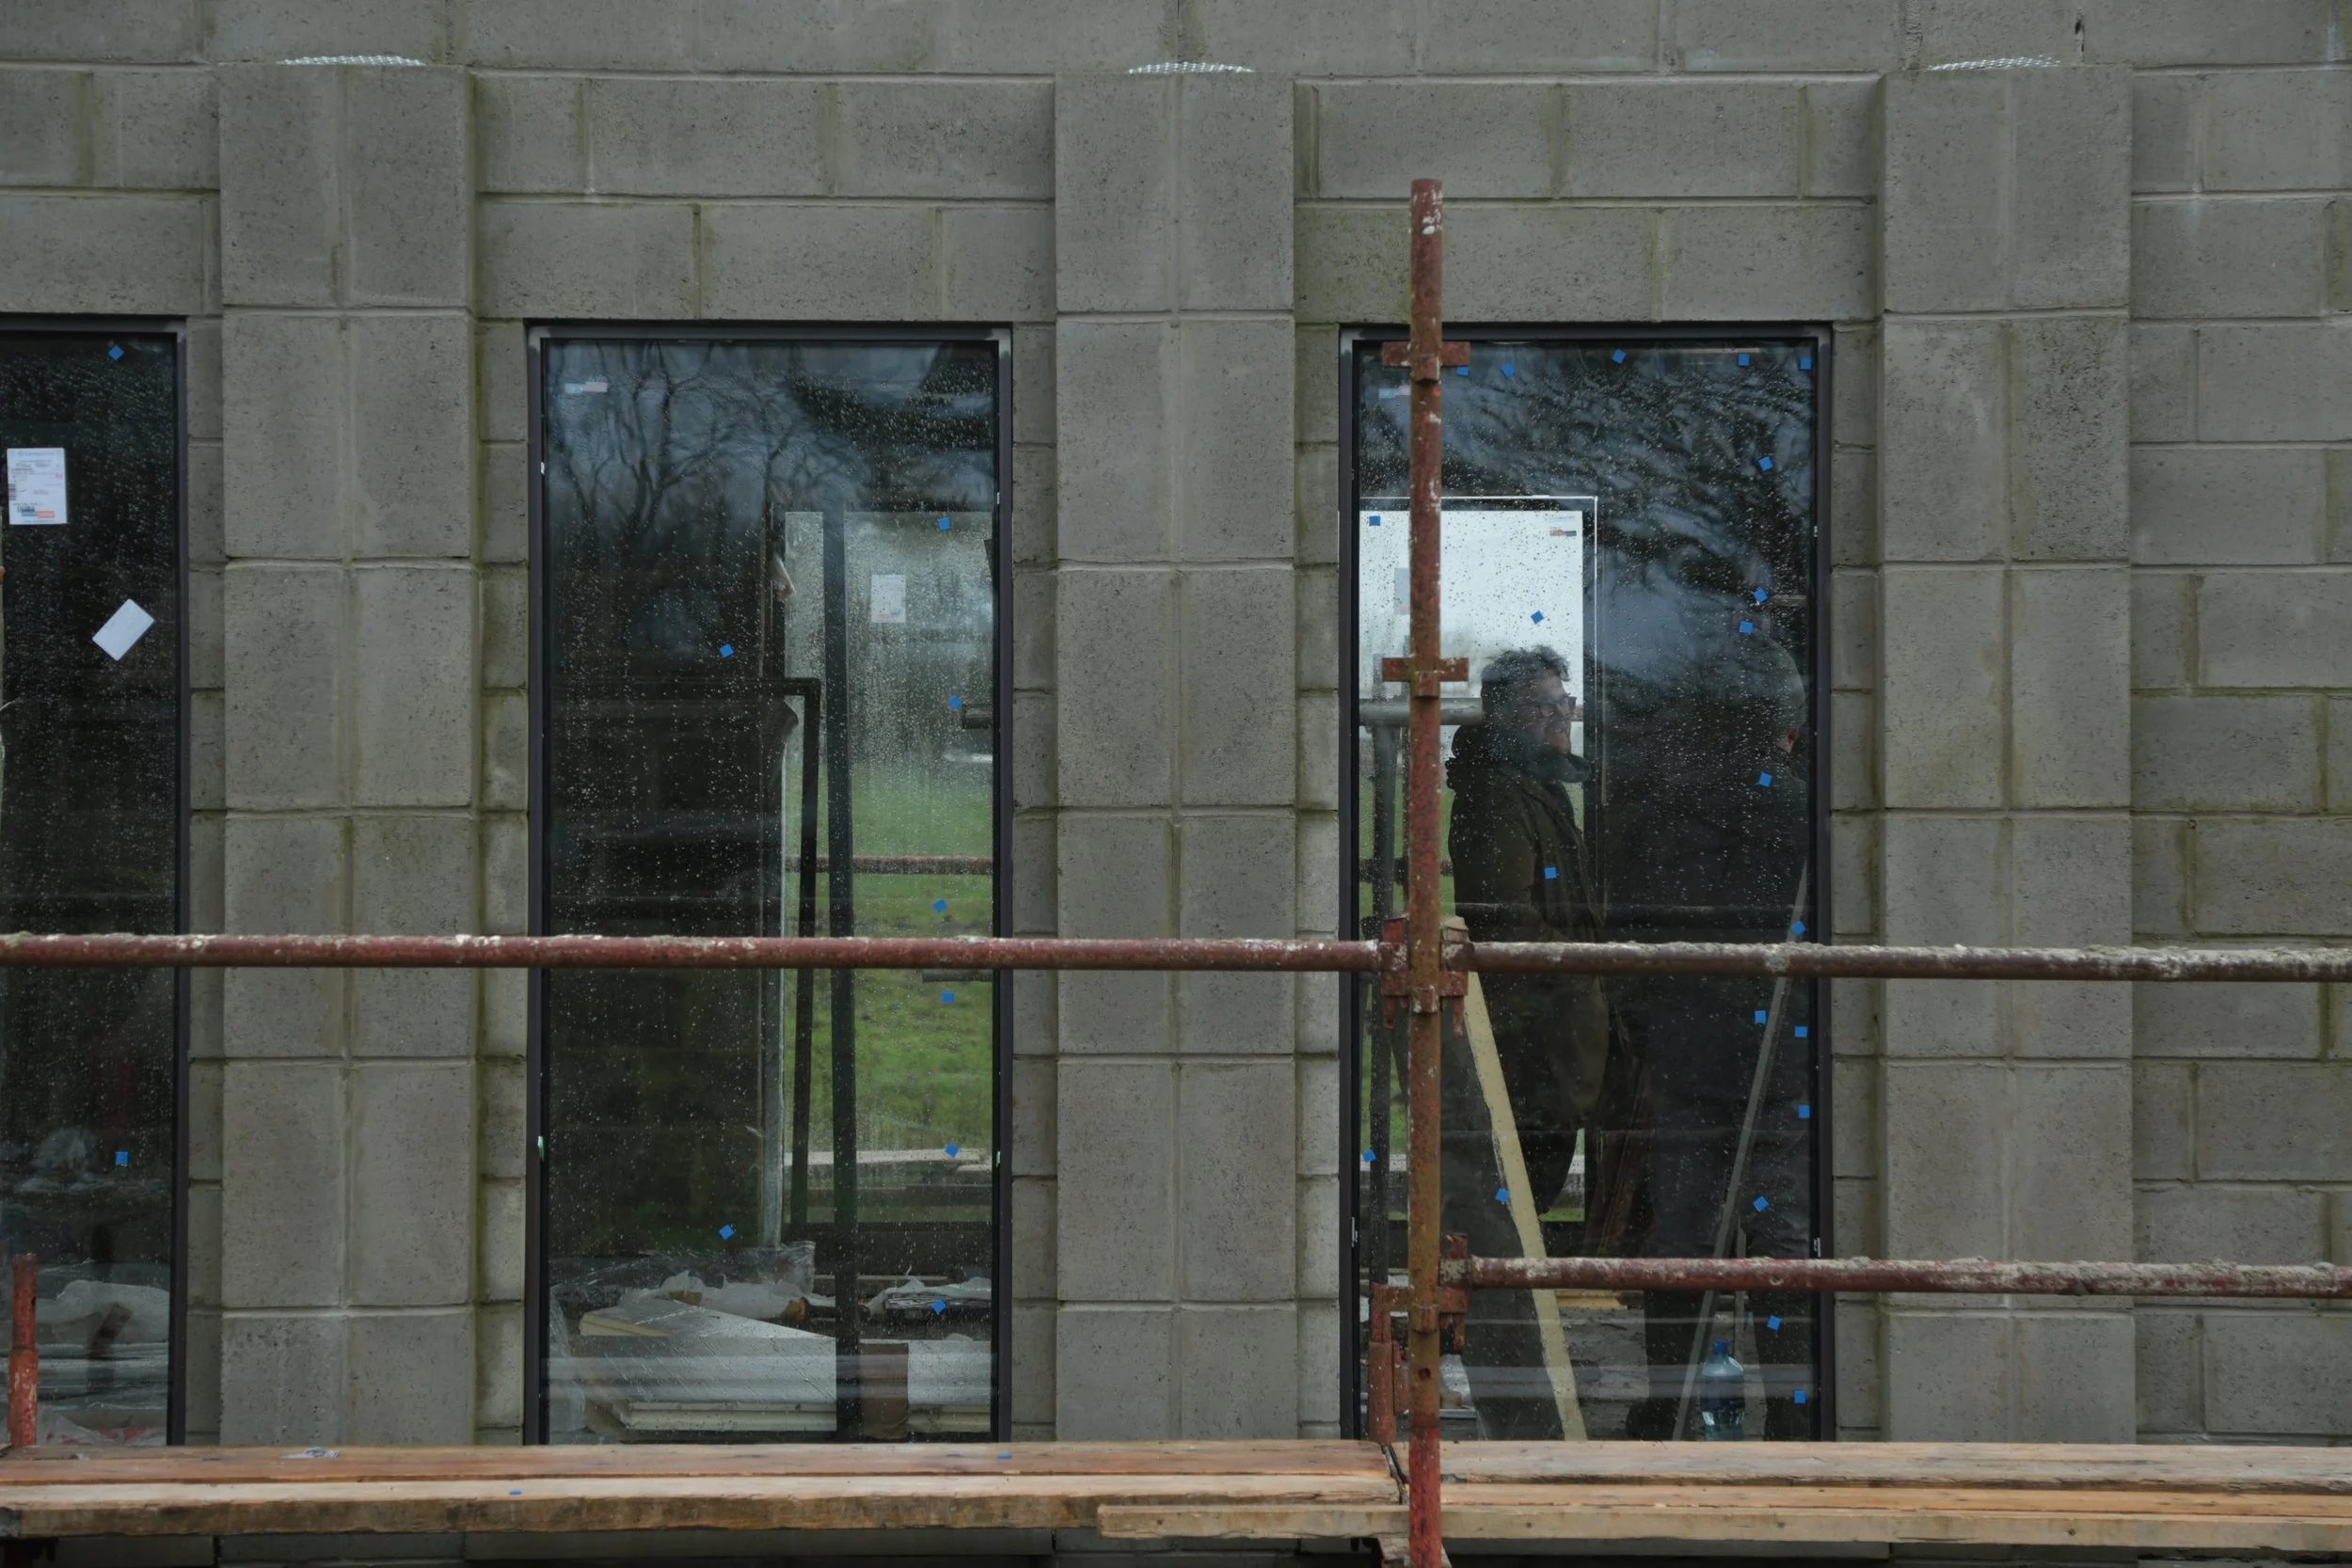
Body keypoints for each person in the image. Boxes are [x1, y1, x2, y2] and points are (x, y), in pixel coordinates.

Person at [1440, 645, 1626, 1438]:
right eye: (1542, 706)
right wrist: (1581, 967)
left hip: (1555, 1042)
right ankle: (1513, 1389)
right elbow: (1507, 920)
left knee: (1523, 1210)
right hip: (1530, 1046)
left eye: (1563, 702)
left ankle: (1517, 1383)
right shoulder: (1497, 795)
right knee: (1509, 1213)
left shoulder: (1534, 790)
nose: (1559, 718)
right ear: (1507, 717)